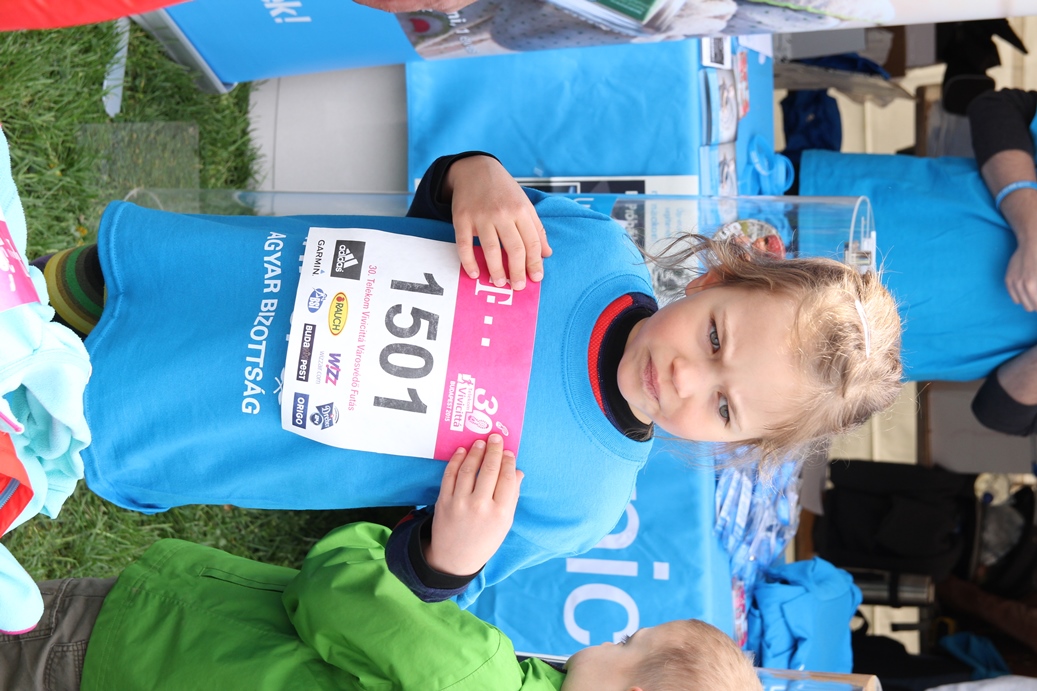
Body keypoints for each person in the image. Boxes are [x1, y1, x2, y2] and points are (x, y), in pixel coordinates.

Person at [49, 152, 900, 608]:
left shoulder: (584, 499)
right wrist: (478, 176)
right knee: (65, 286)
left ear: (735, 443)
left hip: (212, 417)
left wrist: (448, 557)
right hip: (216, 277)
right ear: (713, 279)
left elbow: (412, 587)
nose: (684, 376)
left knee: (55, 414)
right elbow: (436, 206)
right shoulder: (595, 247)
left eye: (721, 404)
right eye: (713, 337)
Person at [1, 443, 762, 691]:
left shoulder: (478, 673)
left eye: (628, 642)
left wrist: (433, 565)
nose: (612, 635)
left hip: (143, 647)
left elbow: (334, 590)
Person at [796, 88, 1037, 434]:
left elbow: (998, 413)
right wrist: (1031, 232)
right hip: (825, 209)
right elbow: (998, 108)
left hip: (826, 350)